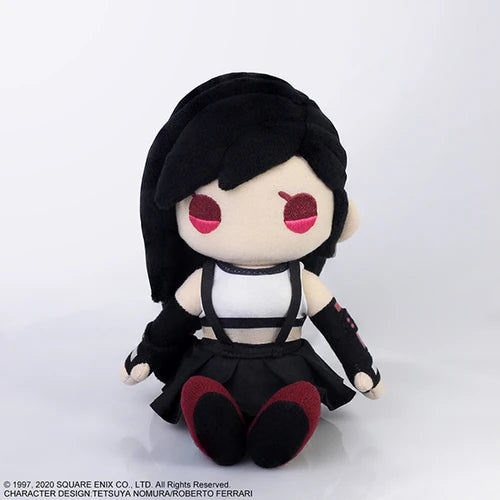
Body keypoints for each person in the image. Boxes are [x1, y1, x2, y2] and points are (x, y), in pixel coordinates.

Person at [121, 72, 383, 468]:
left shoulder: (303, 283)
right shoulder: (203, 282)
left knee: (296, 397)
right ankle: (215, 419)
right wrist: (149, 353)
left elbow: (337, 327)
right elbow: (171, 323)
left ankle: (286, 421)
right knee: (204, 393)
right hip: (216, 364)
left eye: (296, 210)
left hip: (287, 367)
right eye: (208, 211)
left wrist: (359, 365)